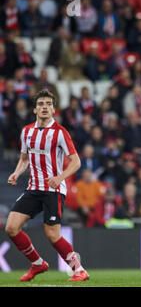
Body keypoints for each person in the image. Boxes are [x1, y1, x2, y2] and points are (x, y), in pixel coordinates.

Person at [5, 89, 89, 282]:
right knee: (11, 227)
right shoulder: (26, 131)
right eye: (41, 104)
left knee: (52, 234)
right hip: (34, 188)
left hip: (53, 189)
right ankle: (37, 264)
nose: (45, 107)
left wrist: (60, 177)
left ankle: (79, 270)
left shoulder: (60, 133)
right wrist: (17, 172)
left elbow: (76, 162)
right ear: (35, 109)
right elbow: (24, 158)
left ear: (53, 110)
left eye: (48, 105)